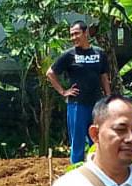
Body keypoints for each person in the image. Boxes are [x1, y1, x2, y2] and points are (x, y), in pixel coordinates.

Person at [46, 20, 111, 164]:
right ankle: (76, 174)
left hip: (96, 105)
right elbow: (50, 73)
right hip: (77, 105)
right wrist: (63, 91)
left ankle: (98, 173)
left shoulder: (99, 53)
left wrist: (108, 96)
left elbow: (104, 76)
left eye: (76, 34)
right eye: (71, 35)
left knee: (98, 141)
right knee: (78, 144)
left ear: (86, 33)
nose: (73, 37)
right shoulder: (69, 55)